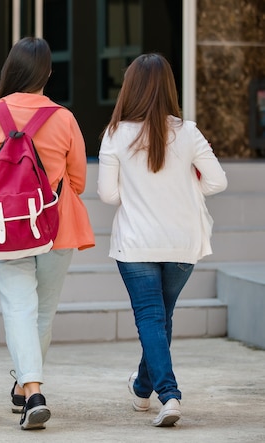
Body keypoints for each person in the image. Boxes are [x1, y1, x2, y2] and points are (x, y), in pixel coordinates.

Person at [0, 37, 95, 430]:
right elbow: (79, 180)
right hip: (56, 225)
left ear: (11, 69)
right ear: (48, 73)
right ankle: (27, 388)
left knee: (18, 308)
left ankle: (32, 390)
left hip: (7, 228)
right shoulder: (65, 118)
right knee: (43, 311)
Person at [97, 53, 227, 427]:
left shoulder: (116, 133)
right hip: (182, 240)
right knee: (160, 318)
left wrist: (138, 193)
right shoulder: (188, 132)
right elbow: (217, 181)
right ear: (169, 87)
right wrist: (186, 185)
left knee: (153, 319)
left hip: (137, 241)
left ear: (130, 87)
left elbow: (107, 194)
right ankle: (142, 389)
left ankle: (169, 395)